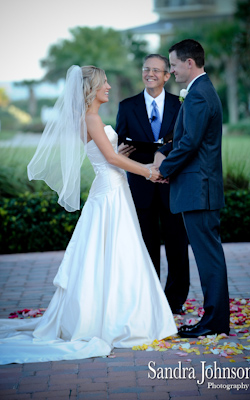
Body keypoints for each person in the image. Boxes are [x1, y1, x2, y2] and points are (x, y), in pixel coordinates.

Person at [0, 65, 177, 365]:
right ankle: (114, 319)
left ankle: (116, 312)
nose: (109, 86)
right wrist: (149, 171)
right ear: (91, 89)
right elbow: (109, 158)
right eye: (104, 83)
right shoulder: (91, 117)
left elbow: (108, 153)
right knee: (115, 252)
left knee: (111, 253)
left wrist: (122, 152)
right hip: (109, 191)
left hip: (111, 187)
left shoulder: (89, 118)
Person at [154, 40, 230, 338]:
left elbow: (190, 144)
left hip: (198, 190)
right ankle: (215, 319)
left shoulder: (198, 95)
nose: (170, 71)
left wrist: (163, 169)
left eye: (172, 64)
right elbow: (185, 140)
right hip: (199, 188)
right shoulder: (201, 91)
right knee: (209, 256)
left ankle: (213, 323)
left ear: (189, 63)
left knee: (208, 257)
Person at [116, 54, 189, 315]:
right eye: (146, 69)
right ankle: (149, 298)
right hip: (141, 185)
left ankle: (175, 300)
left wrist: (165, 164)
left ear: (166, 76)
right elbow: (120, 146)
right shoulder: (127, 106)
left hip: (173, 182)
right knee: (146, 244)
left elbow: (184, 142)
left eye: (156, 70)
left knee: (177, 243)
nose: (150, 74)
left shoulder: (181, 105)